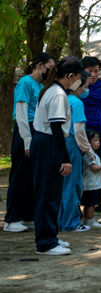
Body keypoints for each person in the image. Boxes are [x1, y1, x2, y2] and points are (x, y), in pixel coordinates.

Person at [31, 56, 86, 255]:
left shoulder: (51, 90)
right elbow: (56, 126)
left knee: (51, 193)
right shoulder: (58, 94)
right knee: (47, 195)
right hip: (48, 142)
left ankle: (50, 235)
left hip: (45, 141)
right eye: (79, 77)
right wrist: (65, 157)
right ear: (70, 76)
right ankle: (45, 243)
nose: (80, 82)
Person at [4, 52, 55, 233]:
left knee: (33, 176)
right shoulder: (25, 82)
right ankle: (12, 219)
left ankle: (27, 215)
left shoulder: (40, 85)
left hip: (37, 130)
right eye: (50, 67)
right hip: (25, 130)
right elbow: (21, 114)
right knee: (20, 175)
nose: (51, 70)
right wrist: (27, 140)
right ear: (40, 65)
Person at [58, 74, 93, 232]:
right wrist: (88, 150)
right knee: (73, 185)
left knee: (62, 185)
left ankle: (60, 221)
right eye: (85, 86)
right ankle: (71, 223)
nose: (87, 90)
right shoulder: (77, 103)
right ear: (78, 86)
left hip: (59, 144)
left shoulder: (62, 99)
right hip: (72, 145)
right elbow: (79, 131)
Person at [81, 56, 101, 214]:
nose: (93, 74)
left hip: (98, 129)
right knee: (82, 165)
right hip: (81, 130)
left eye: (96, 71)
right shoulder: (78, 86)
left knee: (99, 163)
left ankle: (98, 202)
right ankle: (80, 203)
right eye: (90, 71)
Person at [81, 130, 101, 229]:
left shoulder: (93, 154)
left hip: (91, 183)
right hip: (91, 184)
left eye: (98, 140)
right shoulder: (90, 155)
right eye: (95, 140)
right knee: (91, 204)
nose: (98, 142)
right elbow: (94, 168)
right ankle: (90, 221)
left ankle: (85, 220)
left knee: (88, 203)